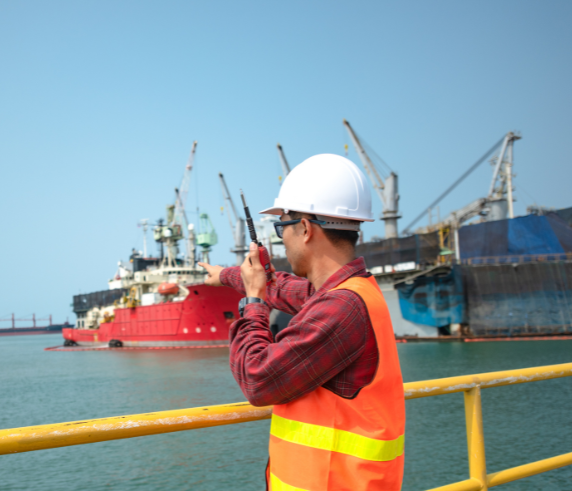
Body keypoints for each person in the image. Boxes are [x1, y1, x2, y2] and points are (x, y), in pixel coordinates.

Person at [199, 154, 405, 491]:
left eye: (281, 227)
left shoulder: (341, 308)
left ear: (305, 229)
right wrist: (225, 275)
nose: (281, 238)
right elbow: (280, 287)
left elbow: (257, 379)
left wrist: (253, 302)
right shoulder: (354, 290)